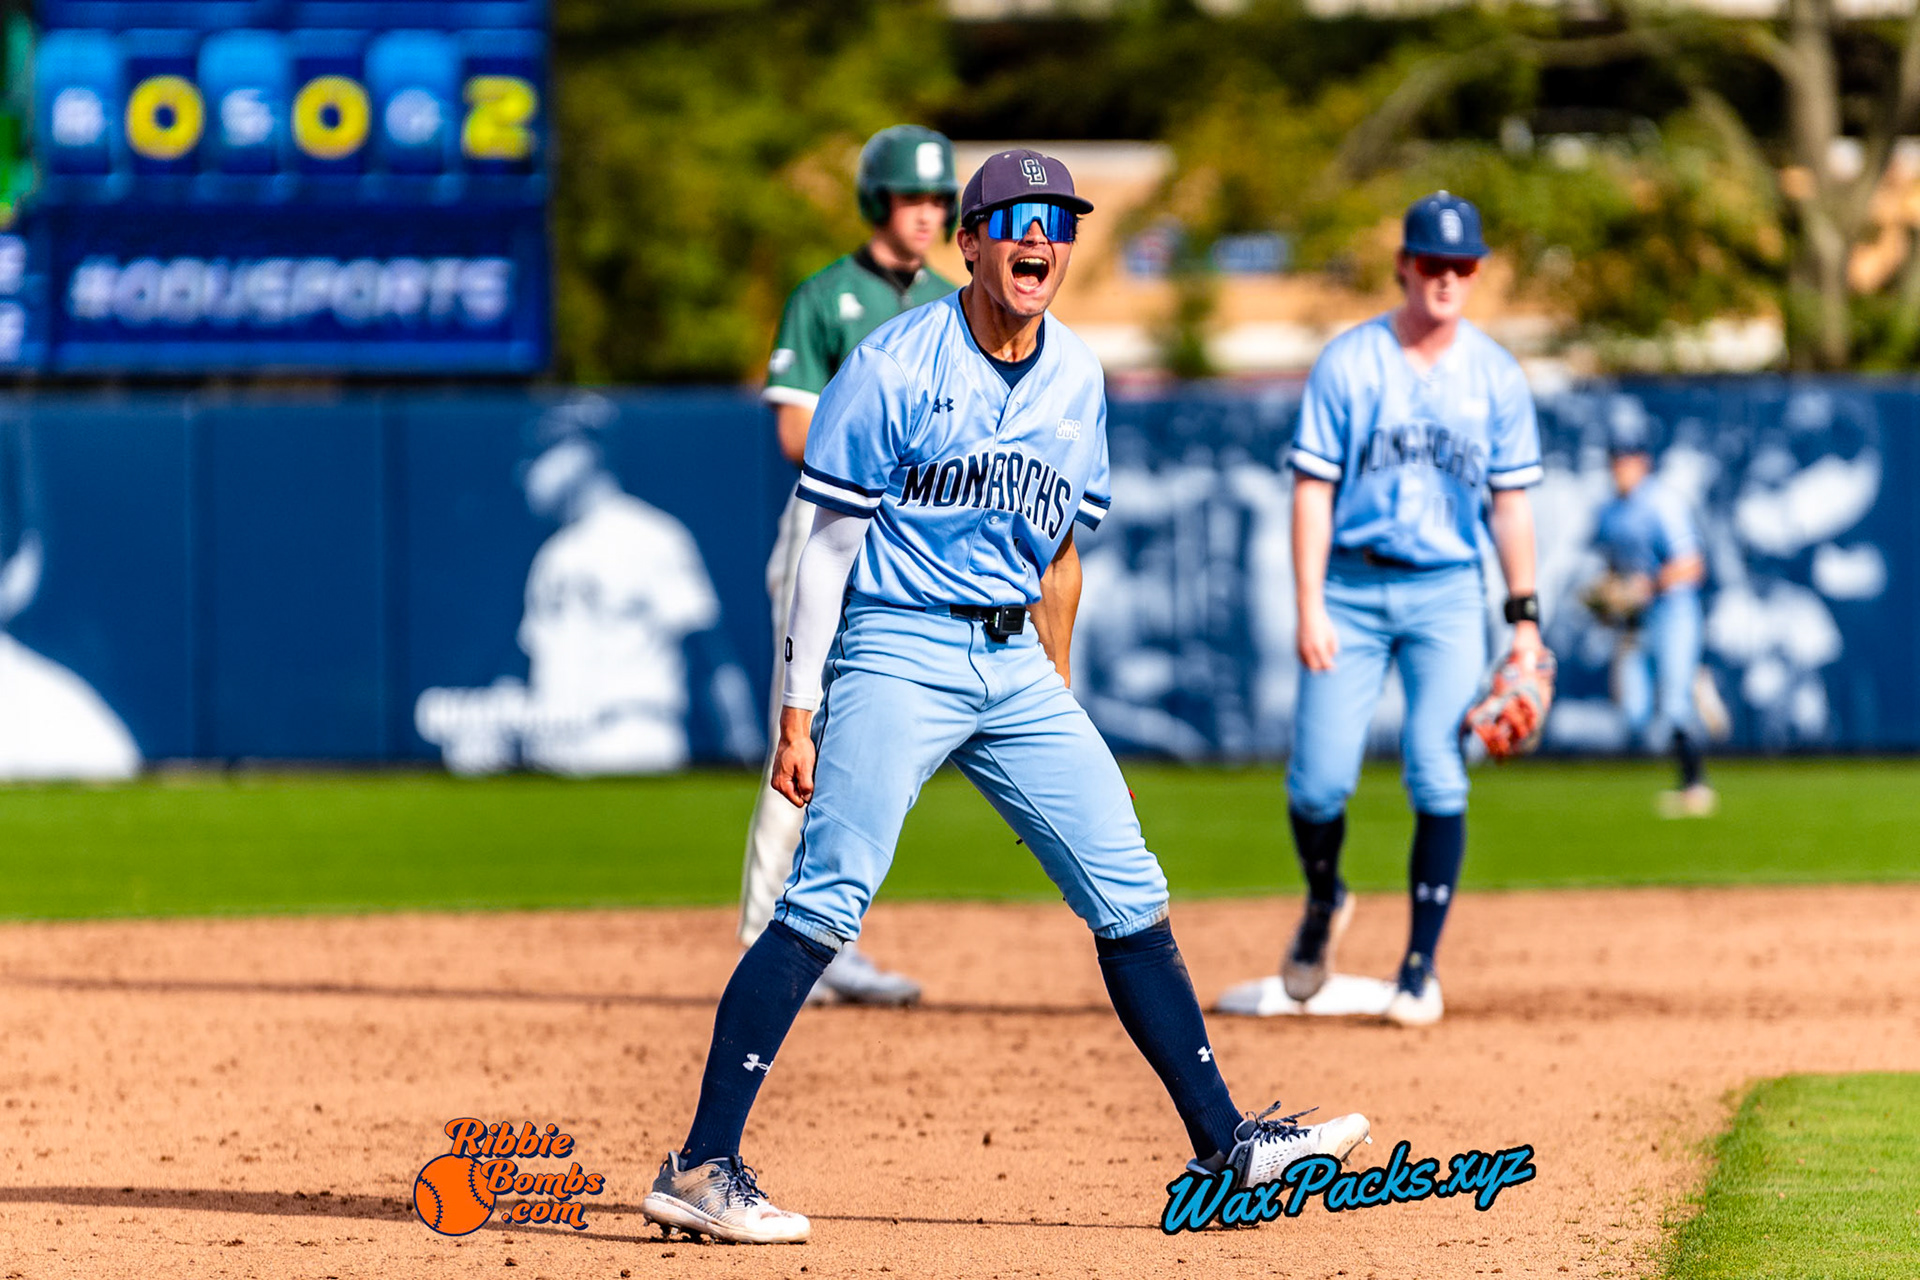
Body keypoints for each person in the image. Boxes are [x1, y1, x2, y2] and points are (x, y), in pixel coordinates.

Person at [639, 149, 1371, 1245]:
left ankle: (1225, 1143)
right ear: (971, 244)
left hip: (1015, 659)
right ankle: (701, 1164)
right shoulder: (893, 364)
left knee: (1130, 888)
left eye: (1058, 222)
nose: (1040, 238)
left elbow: (1061, 552)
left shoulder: (1077, 376)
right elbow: (827, 549)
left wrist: (1055, 691)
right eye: (1014, 219)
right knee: (829, 898)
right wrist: (799, 711)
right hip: (897, 642)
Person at [1216, 192, 1544, 1029]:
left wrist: (1525, 618)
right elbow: (1312, 491)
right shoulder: (1351, 362)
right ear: (1402, 264)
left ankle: (1418, 970)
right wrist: (1309, 603)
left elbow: (1510, 507)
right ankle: (1326, 900)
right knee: (1319, 782)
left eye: (1462, 264)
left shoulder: (1497, 374)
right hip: (1353, 592)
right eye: (1431, 262)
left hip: (1446, 592)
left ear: (1478, 271)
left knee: (1437, 764)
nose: (1446, 277)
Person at [740, 124, 962, 1006]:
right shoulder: (826, 295)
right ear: (879, 201)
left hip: (913, 545)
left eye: (941, 199)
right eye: (914, 197)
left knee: (864, 749)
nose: (929, 213)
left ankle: (831, 943)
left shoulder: (956, 300)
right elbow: (796, 432)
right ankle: (766, 939)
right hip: (828, 528)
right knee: (797, 742)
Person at [1585, 422, 1715, 817]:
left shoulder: (1662, 503)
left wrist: (1648, 586)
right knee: (1635, 713)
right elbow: (1609, 567)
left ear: (1644, 462)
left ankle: (1696, 788)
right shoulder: (1609, 511)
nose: (1620, 467)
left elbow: (1692, 566)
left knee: (1674, 705)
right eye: (1615, 460)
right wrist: (1607, 596)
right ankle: (1691, 684)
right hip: (1636, 622)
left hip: (1672, 611)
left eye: (1627, 459)